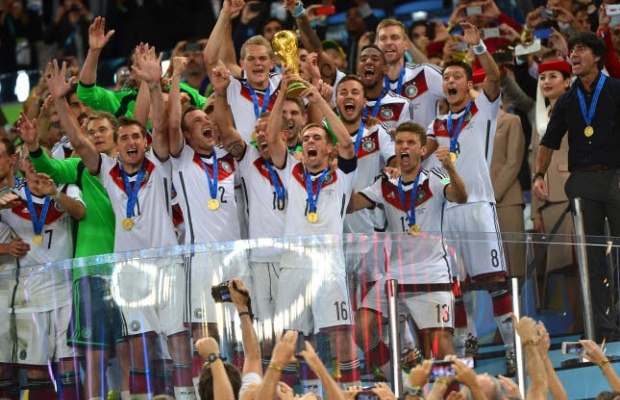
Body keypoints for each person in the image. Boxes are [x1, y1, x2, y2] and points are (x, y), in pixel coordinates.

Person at [48, 49, 194, 399]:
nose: (131, 142)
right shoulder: (107, 171)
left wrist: (154, 85)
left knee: (177, 340)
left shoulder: (159, 165)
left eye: (136, 137)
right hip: (127, 271)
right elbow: (79, 141)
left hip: (166, 265)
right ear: (116, 144)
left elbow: (162, 126)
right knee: (139, 344)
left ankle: (187, 396)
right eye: (124, 138)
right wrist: (60, 102)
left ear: (145, 143)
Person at [425, 22, 515, 374]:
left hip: (478, 207)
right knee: (455, 285)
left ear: (467, 84)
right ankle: (465, 347)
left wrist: (478, 47)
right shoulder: (436, 124)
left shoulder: (483, 109)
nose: (450, 81)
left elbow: (494, 77)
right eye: (446, 77)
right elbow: (420, 154)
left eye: (456, 77)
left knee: (494, 281)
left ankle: (512, 348)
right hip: (448, 211)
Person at [347, 122, 467, 378]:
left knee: (441, 348)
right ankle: (400, 381)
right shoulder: (385, 184)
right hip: (396, 276)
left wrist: (450, 167)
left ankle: (454, 392)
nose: (404, 147)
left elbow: (460, 196)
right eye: (400, 142)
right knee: (361, 327)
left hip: (432, 273)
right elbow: (351, 205)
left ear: (423, 150)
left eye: (411, 143)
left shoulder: (438, 177)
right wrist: (340, 173)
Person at [267, 75, 361, 390]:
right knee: (292, 338)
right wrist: (281, 94)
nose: (310, 142)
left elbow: (347, 144)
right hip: (293, 265)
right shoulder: (291, 170)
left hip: (328, 265)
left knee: (339, 334)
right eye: (306, 138)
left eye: (318, 137)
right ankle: (306, 395)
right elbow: (273, 138)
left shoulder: (342, 176)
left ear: (328, 147)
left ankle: (349, 393)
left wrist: (318, 100)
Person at [20, 103, 119, 399]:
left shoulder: (136, 166)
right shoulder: (78, 167)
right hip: (91, 272)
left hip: (129, 267)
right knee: (95, 359)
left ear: (115, 135)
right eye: (91, 131)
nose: (96, 135)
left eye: (102, 130)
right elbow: (47, 167)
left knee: (131, 349)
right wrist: (33, 145)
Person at [533, 30, 620, 341]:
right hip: (582, 182)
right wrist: (538, 175)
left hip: (616, 177)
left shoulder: (615, 89)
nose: (573, 55)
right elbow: (548, 141)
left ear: (596, 56)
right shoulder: (568, 99)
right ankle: (603, 327)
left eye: (581, 49)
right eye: (571, 50)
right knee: (591, 257)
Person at [0, 144, 86, 400]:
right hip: (30, 295)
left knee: (69, 366)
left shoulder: (67, 189)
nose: (33, 164)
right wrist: (4, 247)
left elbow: (80, 212)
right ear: (21, 165)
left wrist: (54, 194)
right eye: (28, 160)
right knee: (36, 371)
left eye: (40, 159)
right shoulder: (9, 196)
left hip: (65, 291)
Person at [204, 0, 282, 141]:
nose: (257, 63)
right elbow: (211, 60)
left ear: (272, 63)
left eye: (262, 58)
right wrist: (225, 15)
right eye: (251, 59)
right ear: (242, 64)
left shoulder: (283, 84)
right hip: (243, 154)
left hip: (281, 152)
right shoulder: (233, 87)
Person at [375, 19, 445, 130]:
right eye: (383, 39)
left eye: (394, 37)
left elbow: (464, 93)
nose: (388, 42)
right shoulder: (371, 85)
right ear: (376, 46)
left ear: (406, 44)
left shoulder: (425, 74)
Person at [357, 45, 412, 129]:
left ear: (385, 69)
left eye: (375, 59)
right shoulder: (349, 103)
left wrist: (383, 130)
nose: (368, 62)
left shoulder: (401, 104)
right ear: (357, 70)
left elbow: (405, 136)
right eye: (363, 59)